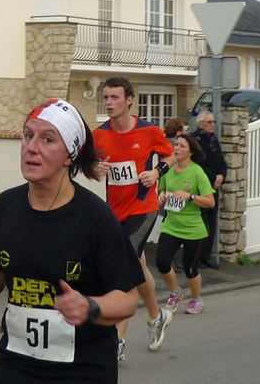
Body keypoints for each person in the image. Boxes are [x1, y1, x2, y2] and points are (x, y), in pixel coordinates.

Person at [0, 99, 143, 383]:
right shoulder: (6, 205)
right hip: (15, 363)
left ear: (70, 156)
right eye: (28, 135)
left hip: (82, 369)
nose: (31, 147)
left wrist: (90, 306)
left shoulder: (96, 218)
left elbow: (128, 300)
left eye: (47, 139)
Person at [92, 76, 175, 358]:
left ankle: (118, 339)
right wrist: (95, 167)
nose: (109, 102)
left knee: (124, 264)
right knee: (137, 265)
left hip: (143, 207)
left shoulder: (149, 131)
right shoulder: (99, 135)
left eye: (114, 97)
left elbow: (170, 156)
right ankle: (156, 316)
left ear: (129, 100)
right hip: (114, 211)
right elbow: (87, 163)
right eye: (106, 97)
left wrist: (157, 173)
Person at [155, 134, 215, 316]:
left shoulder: (197, 172)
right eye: (176, 145)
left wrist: (190, 196)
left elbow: (210, 202)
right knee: (162, 262)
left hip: (193, 229)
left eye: (182, 146)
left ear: (190, 152)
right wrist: (162, 195)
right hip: (172, 225)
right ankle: (175, 292)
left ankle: (197, 299)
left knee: (190, 268)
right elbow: (162, 190)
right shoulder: (168, 170)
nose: (177, 148)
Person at [193, 110, 227, 269]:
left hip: (214, 188)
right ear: (200, 124)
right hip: (201, 188)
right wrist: (214, 178)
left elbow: (221, 162)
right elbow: (197, 164)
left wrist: (222, 175)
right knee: (201, 224)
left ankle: (206, 255)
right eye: (209, 122)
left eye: (213, 122)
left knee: (211, 224)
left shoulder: (214, 140)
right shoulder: (195, 140)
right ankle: (196, 256)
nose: (212, 125)